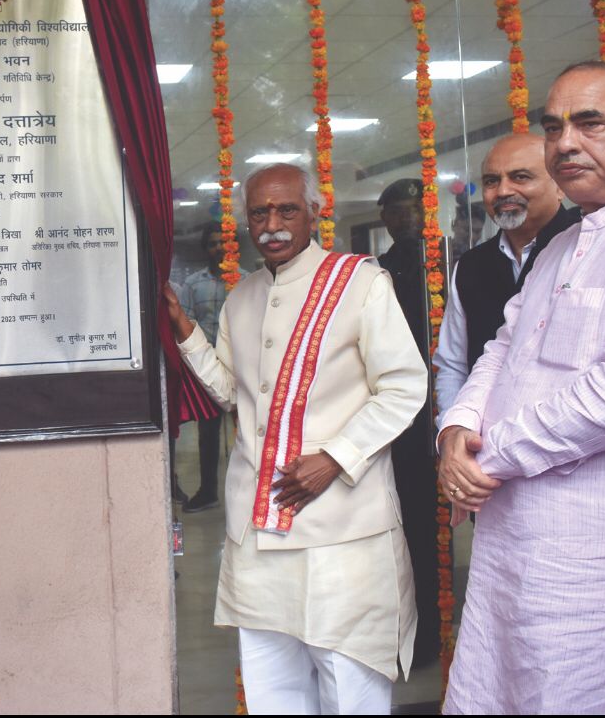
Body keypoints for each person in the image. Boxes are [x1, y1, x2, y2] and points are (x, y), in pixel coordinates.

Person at [438, 60, 605, 714]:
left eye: (591, 123)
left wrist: (487, 455)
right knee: (498, 690)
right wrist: (457, 426)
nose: (565, 143)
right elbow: (504, 346)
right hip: (516, 547)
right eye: (554, 127)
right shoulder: (561, 246)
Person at [164, 162, 427, 713]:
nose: (272, 224)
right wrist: (186, 332)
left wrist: (335, 457)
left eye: (286, 209)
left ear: (314, 211)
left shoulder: (360, 282)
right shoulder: (242, 297)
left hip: (342, 531)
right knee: (272, 691)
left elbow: (404, 386)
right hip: (258, 536)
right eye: (260, 212)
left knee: (349, 689)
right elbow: (234, 396)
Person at [434, 133, 580, 417]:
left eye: (521, 177)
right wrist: (454, 432)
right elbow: (454, 367)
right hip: (482, 445)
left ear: (560, 187)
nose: (502, 191)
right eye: (491, 181)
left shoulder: (587, 246)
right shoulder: (471, 266)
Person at [375, 177, 441, 665]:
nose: (409, 218)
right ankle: (423, 632)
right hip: (403, 418)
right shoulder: (377, 275)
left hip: (451, 409)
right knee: (414, 522)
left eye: (416, 209)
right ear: (385, 219)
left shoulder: (450, 262)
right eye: (398, 211)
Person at [177, 221, 246, 513]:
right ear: (206, 248)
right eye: (213, 243)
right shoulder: (193, 285)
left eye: (223, 241)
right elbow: (187, 324)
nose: (219, 247)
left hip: (242, 366)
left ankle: (246, 493)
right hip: (207, 366)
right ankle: (208, 491)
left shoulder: (247, 281)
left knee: (246, 432)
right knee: (208, 434)